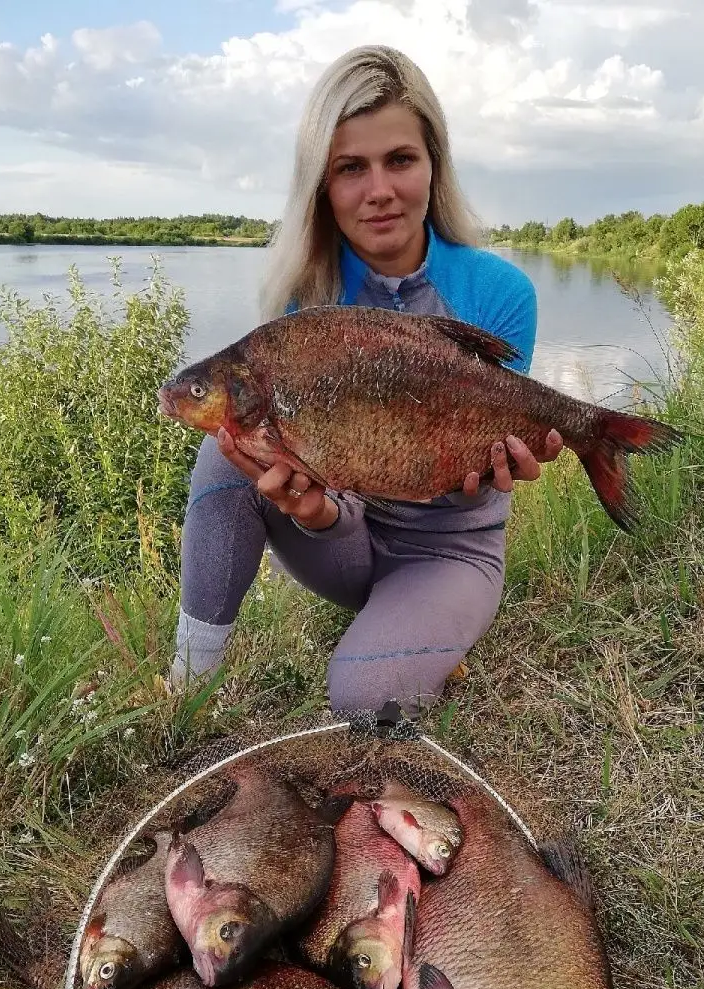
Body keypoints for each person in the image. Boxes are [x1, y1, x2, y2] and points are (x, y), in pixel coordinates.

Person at [171, 44, 562, 716]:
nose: (378, 190)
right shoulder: (305, 302)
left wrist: (497, 463)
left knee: (364, 698)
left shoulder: (501, 292)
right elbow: (332, 491)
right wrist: (313, 509)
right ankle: (183, 682)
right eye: (350, 168)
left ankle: (431, 623)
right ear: (322, 185)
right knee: (224, 449)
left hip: (448, 544)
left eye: (400, 160)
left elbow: (472, 467)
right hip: (346, 540)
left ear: (434, 167)